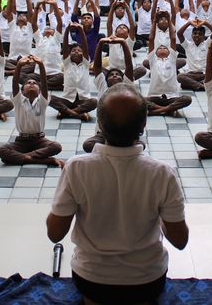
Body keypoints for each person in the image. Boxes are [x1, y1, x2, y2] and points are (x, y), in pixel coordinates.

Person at [47, 83, 188, 304]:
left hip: (91, 280)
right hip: (147, 282)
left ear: (100, 125)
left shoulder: (76, 168)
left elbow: (54, 233)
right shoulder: (162, 173)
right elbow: (180, 240)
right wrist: (158, 215)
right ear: (143, 124)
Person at [0, 56, 64, 167]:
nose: (31, 84)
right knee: (1, 150)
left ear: (39, 92)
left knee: (56, 146)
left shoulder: (42, 102)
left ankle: (22, 157)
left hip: (39, 140)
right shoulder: (18, 101)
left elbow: (44, 83)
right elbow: (15, 83)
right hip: (22, 141)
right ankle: (44, 160)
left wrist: (41, 65)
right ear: (22, 91)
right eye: (28, 83)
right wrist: (19, 65)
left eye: (35, 83)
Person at [83, 37, 137, 153]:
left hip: (122, 133)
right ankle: (116, 150)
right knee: (87, 145)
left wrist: (123, 42)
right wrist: (101, 42)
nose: (115, 75)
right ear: (106, 80)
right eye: (111, 75)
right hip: (103, 134)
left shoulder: (127, 86)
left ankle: (108, 150)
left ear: (123, 79)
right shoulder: (103, 87)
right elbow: (97, 67)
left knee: (140, 144)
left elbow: (129, 66)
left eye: (118, 74)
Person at [144, 17, 192, 116]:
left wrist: (169, 21)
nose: (162, 48)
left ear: (169, 52)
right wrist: (155, 21)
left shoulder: (172, 59)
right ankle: (168, 110)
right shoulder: (153, 60)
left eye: (165, 48)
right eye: (160, 48)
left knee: (187, 99)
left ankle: (156, 111)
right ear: (155, 52)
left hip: (171, 97)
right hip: (154, 97)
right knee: (139, 99)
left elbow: (173, 38)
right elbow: (151, 38)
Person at [49, 23, 97, 121]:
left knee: (94, 102)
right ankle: (78, 114)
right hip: (68, 99)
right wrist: (67, 29)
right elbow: (65, 45)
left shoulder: (85, 63)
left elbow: (85, 46)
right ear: (69, 54)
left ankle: (66, 112)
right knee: (49, 98)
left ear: (83, 54)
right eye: (73, 50)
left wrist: (80, 29)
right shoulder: (67, 63)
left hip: (83, 99)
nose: (76, 52)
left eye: (79, 50)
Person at [176, 19, 212, 91]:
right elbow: (179, 33)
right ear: (191, 35)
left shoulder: (207, 44)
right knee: (179, 77)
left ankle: (192, 84)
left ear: (204, 36)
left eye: (200, 34)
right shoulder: (187, 45)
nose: (197, 35)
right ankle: (201, 85)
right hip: (191, 74)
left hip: (203, 74)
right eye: (195, 33)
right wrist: (189, 23)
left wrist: (205, 23)